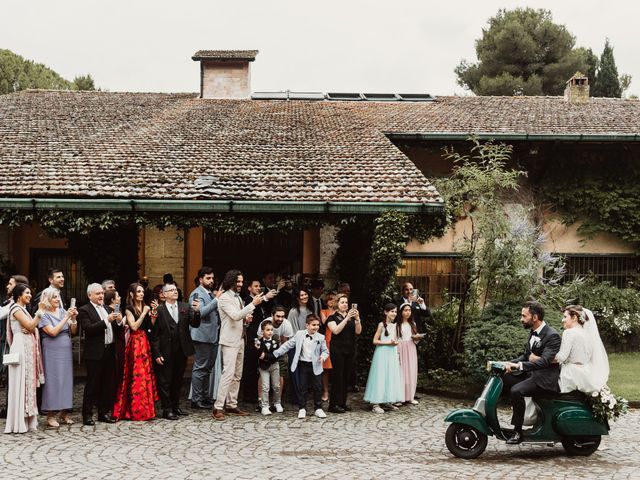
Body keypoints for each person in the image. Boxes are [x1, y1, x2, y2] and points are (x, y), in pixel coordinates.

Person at [502, 301, 561, 445]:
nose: (521, 319)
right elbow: (526, 355)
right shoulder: (534, 333)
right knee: (503, 379)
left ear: (535, 317)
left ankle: (517, 431)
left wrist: (520, 366)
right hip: (532, 374)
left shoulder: (552, 336)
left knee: (517, 391)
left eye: (524, 316)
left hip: (544, 378)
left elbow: (544, 362)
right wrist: (509, 363)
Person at [212, 270, 265, 421]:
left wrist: (246, 319)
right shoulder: (224, 298)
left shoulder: (238, 298)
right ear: (231, 281)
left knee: (237, 374)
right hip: (229, 340)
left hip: (241, 339)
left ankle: (231, 404)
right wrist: (252, 304)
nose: (241, 284)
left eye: (242, 281)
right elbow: (235, 315)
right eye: (238, 282)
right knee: (227, 374)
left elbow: (238, 317)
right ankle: (217, 407)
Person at [529, 305, 609, 394]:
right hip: (586, 374)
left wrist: (537, 359)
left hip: (571, 375)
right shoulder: (588, 334)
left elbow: (560, 358)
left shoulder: (569, 332)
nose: (562, 320)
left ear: (574, 317)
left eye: (565, 317)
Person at [151, 284, 201, 420]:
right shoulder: (159, 310)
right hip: (165, 351)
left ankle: (175, 406)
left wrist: (196, 311)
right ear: (164, 294)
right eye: (171, 290)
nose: (175, 292)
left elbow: (195, 324)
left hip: (181, 350)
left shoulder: (185, 307)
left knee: (178, 380)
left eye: (175, 290)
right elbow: (154, 336)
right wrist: (157, 353)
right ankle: (167, 409)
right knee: (165, 381)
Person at [112, 283, 159, 421]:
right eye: (138, 292)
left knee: (146, 375)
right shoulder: (129, 308)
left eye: (142, 291)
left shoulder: (145, 306)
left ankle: (146, 409)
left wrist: (153, 313)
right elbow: (133, 326)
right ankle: (135, 409)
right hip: (135, 344)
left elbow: (150, 325)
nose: (141, 294)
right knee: (137, 375)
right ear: (132, 294)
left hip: (145, 342)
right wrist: (144, 312)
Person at [78, 283, 122, 426]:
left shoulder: (105, 308)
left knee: (107, 384)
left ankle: (103, 412)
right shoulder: (84, 310)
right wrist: (106, 321)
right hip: (94, 353)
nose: (101, 296)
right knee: (92, 385)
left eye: (102, 293)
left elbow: (115, 329)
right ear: (89, 295)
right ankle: (87, 414)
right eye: (97, 294)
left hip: (109, 350)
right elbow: (88, 329)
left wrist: (119, 322)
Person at [4, 283, 44, 433]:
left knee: (28, 383)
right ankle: (18, 422)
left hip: (28, 347)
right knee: (21, 383)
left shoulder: (24, 310)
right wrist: (40, 311)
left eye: (30, 293)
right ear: (19, 295)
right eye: (27, 293)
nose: (30, 295)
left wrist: (31, 326)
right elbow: (31, 326)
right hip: (20, 348)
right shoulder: (15, 309)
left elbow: (31, 327)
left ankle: (28, 419)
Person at [271, 314, 329, 419]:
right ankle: (302, 408)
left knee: (318, 387)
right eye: (313, 325)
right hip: (303, 364)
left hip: (315, 365)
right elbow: (288, 345)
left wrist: (323, 357)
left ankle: (318, 408)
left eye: (317, 325)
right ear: (307, 325)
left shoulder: (320, 337)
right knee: (302, 387)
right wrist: (276, 353)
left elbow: (325, 351)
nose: (316, 327)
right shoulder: (299, 334)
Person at [38, 287, 78, 427]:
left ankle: (64, 412)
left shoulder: (62, 311)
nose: (57, 299)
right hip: (51, 349)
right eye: (54, 297)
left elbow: (73, 331)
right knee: (53, 381)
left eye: (57, 297)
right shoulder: (43, 315)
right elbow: (53, 332)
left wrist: (73, 319)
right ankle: (50, 415)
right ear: (47, 299)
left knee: (66, 380)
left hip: (65, 349)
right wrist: (67, 317)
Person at [188, 266, 221, 409]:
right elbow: (200, 313)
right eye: (208, 278)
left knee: (208, 368)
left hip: (212, 336)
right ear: (201, 279)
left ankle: (205, 396)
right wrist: (216, 300)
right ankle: (196, 400)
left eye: (212, 278)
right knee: (200, 368)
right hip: (202, 336)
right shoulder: (196, 294)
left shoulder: (209, 294)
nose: (211, 280)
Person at [364, 304, 404, 413]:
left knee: (390, 376)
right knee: (380, 376)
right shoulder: (381, 325)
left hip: (392, 353)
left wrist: (395, 344)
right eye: (392, 311)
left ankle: (387, 401)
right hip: (382, 353)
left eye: (395, 312)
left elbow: (395, 339)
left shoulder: (395, 326)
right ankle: (375, 403)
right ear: (386, 312)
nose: (394, 314)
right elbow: (375, 340)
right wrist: (388, 343)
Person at [327, 293, 361, 413]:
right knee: (338, 377)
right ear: (337, 304)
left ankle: (342, 402)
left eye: (346, 302)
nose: (345, 304)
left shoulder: (352, 317)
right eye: (342, 302)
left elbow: (358, 331)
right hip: (337, 350)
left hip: (350, 349)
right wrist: (346, 319)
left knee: (346, 377)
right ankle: (333, 404)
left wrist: (357, 320)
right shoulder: (332, 318)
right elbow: (335, 331)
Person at [1, 275, 29, 419]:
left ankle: (12, 409)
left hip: (12, 344)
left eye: (10, 284)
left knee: (12, 377)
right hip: (9, 342)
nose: (7, 286)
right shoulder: (11, 304)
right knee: (9, 377)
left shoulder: (17, 305)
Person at [242, 279, 272, 409]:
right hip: (251, 336)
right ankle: (248, 395)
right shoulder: (247, 299)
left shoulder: (261, 300)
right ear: (249, 288)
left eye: (260, 286)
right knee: (249, 366)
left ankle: (256, 393)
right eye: (255, 286)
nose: (258, 288)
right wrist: (265, 298)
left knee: (257, 365)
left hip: (260, 335)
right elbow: (251, 308)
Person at [254, 320, 282, 415]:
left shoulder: (275, 341)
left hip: (274, 365)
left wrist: (265, 356)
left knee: (276, 385)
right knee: (265, 386)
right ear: (262, 331)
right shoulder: (258, 342)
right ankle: (265, 405)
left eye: (271, 330)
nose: (270, 332)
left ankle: (277, 402)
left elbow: (276, 354)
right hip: (264, 367)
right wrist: (265, 355)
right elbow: (258, 355)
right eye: (267, 330)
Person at [397, 303, 422, 406]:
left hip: (411, 348)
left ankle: (410, 396)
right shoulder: (397, 325)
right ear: (401, 312)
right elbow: (396, 339)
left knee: (411, 371)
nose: (407, 312)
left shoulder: (413, 324)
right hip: (401, 348)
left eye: (409, 310)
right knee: (401, 372)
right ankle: (400, 397)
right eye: (405, 310)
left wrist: (417, 338)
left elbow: (415, 340)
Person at [104, 289, 126, 389]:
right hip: (114, 344)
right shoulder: (107, 310)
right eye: (118, 296)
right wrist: (120, 322)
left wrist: (121, 322)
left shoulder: (118, 309)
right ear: (113, 299)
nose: (120, 298)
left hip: (120, 342)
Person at [320, 291, 336, 402]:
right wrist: (333, 313)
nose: (331, 301)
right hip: (328, 340)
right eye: (329, 299)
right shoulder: (324, 311)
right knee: (326, 369)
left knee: (336, 368)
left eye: (333, 299)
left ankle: (335, 391)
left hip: (337, 340)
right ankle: (325, 391)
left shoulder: (339, 311)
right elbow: (325, 322)